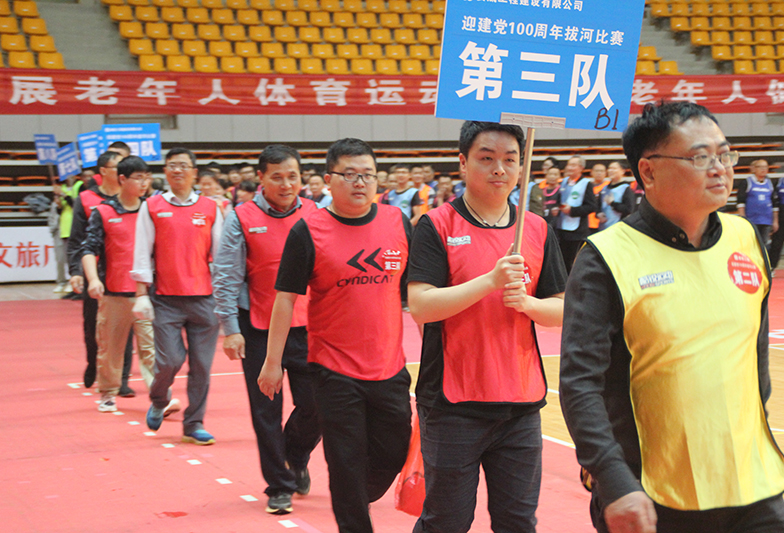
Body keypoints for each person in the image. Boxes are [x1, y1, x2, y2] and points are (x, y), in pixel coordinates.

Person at [559, 101, 784, 533]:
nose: (720, 169)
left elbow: (756, 360)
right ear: (648, 172)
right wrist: (613, 479)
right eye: (700, 157)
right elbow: (580, 383)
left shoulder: (745, 238)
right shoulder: (606, 257)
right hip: (653, 495)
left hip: (751, 483)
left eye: (725, 154)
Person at [408, 121, 567, 533]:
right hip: (452, 405)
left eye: (510, 159)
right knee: (447, 522)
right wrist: (490, 281)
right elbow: (421, 305)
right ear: (463, 163)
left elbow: (562, 309)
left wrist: (529, 304)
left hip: (520, 404)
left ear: (521, 167)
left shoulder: (536, 229)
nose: (500, 168)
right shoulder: (437, 225)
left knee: (518, 523)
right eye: (487, 158)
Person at [258, 138, 412, 533]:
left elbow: (416, 294)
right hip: (333, 370)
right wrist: (272, 362)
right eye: (350, 174)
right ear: (328, 180)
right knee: (345, 462)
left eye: (368, 175)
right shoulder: (308, 231)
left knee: (393, 452)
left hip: (389, 367)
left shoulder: (397, 222)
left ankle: (355, 494)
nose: (360, 182)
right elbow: (284, 300)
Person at [212, 145, 321, 515]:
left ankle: (296, 455)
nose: (286, 184)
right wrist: (230, 328)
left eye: (292, 176)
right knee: (266, 412)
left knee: (317, 404)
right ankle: (279, 485)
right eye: (277, 177)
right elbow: (226, 275)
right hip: (257, 326)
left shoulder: (316, 213)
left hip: (310, 326)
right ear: (261, 178)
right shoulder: (240, 217)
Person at [131, 148, 223, 446]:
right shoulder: (152, 206)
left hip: (204, 300)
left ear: (194, 172)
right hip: (165, 299)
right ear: (166, 171)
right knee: (170, 360)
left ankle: (194, 423)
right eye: (172, 165)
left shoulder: (210, 207)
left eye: (183, 165)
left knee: (201, 367)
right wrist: (141, 293)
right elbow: (142, 252)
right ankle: (159, 399)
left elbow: (221, 256)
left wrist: (224, 298)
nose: (178, 170)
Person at [80, 156, 165, 413]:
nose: (144, 183)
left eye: (147, 177)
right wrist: (93, 280)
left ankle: (160, 398)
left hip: (147, 294)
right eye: (138, 178)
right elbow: (89, 249)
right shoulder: (103, 212)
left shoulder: (152, 210)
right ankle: (108, 393)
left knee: (152, 349)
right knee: (111, 349)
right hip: (114, 293)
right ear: (122, 179)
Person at [68, 151, 134, 394]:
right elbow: (77, 240)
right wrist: (76, 271)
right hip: (94, 273)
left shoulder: (131, 198)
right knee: (93, 325)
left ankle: (122, 378)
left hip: (124, 272)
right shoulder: (86, 198)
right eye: (117, 166)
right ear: (103, 171)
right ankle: (93, 362)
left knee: (124, 327)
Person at [557, 155, 596, 273]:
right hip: (561, 228)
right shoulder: (563, 182)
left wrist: (572, 210)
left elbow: (591, 206)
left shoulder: (586, 183)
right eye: (569, 164)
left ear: (581, 168)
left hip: (577, 231)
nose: (569, 167)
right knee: (561, 261)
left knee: (574, 261)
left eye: (573, 165)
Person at [738, 159, 777, 246]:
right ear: (754, 168)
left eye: (765, 167)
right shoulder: (747, 182)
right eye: (760, 167)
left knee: (763, 244)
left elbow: (775, 204)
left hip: (766, 220)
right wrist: (742, 217)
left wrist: (775, 220)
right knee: (750, 243)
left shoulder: (770, 183)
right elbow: (740, 201)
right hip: (752, 219)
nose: (763, 169)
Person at [597, 161, 635, 230]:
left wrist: (612, 203)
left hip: (619, 228)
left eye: (614, 168)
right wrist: (598, 213)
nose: (611, 171)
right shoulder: (604, 188)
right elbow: (597, 206)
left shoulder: (626, 188)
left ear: (622, 171)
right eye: (609, 168)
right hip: (603, 228)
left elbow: (629, 209)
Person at [587, 163, 610, 235]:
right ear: (591, 172)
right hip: (588, 223)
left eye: (601, 171)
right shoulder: (587, 186)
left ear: (605, 173)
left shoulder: (608, 186)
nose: (599, 173)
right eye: (597, 171)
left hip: (603, 222)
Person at [542, 166, 562, 230]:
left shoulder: (562, 191)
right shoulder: (540, 191)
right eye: (550, 174)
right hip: (543, 222)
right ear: (546, 176)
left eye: (555, 174)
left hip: (557, 225)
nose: (552, 177)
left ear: (559, 176)